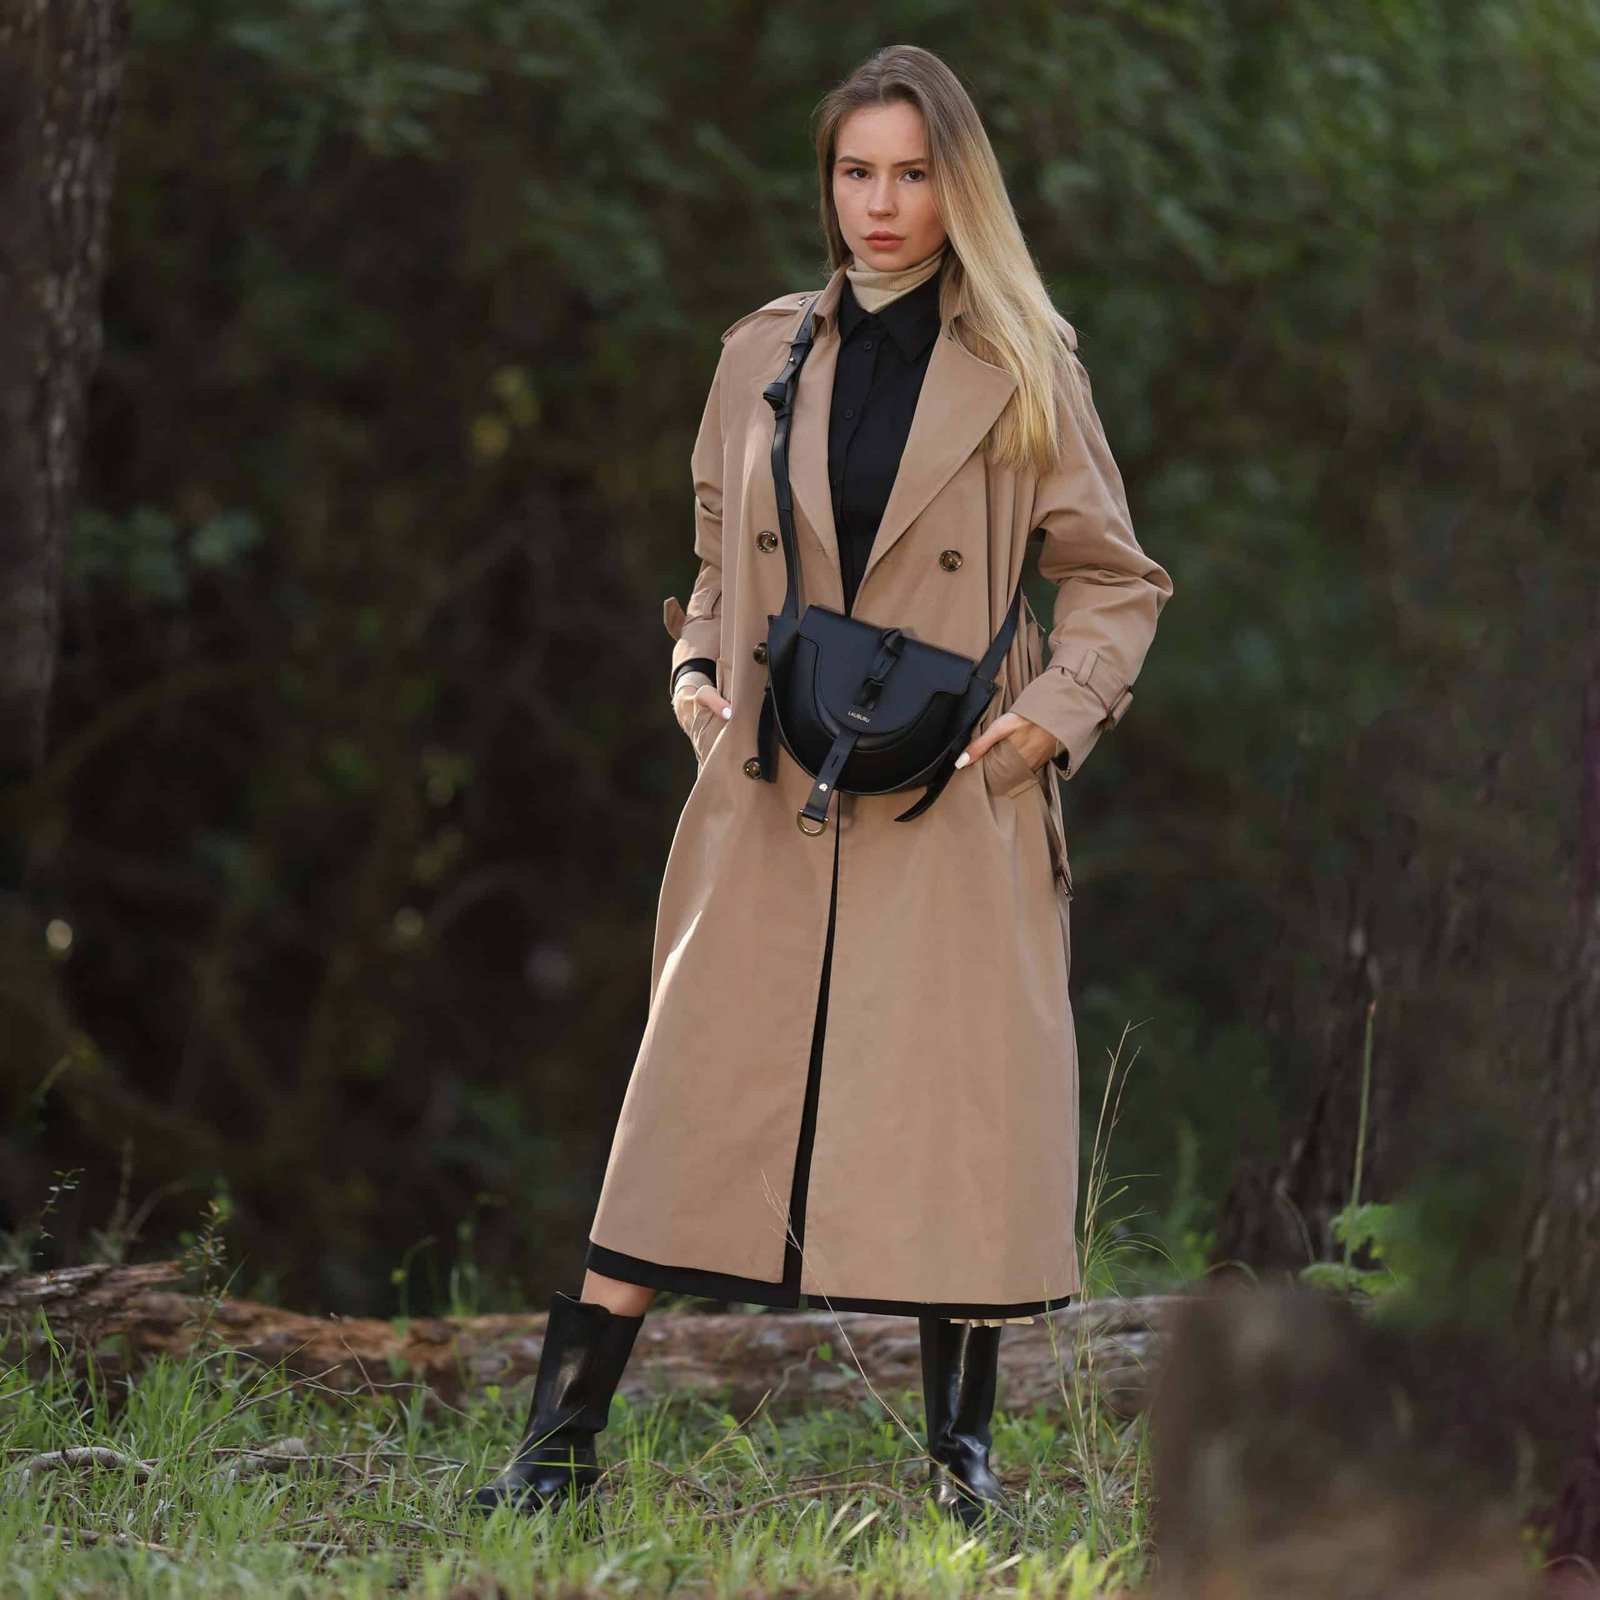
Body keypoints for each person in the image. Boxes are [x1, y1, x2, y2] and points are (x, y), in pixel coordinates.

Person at [466, 43, 1173, 1530]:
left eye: (913, 174)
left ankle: (961, 1467)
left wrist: (1051, 723)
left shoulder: (1027, 366)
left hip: (955, 794)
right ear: (828, 183)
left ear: (956, 186)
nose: (882, 205)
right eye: (858, 172)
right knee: (684, 1099)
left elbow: (1114, 581)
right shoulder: (764, 352)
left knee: (951, 1124)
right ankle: (557, 1448)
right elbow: (723, 554)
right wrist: (689, 673)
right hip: (776, 779)